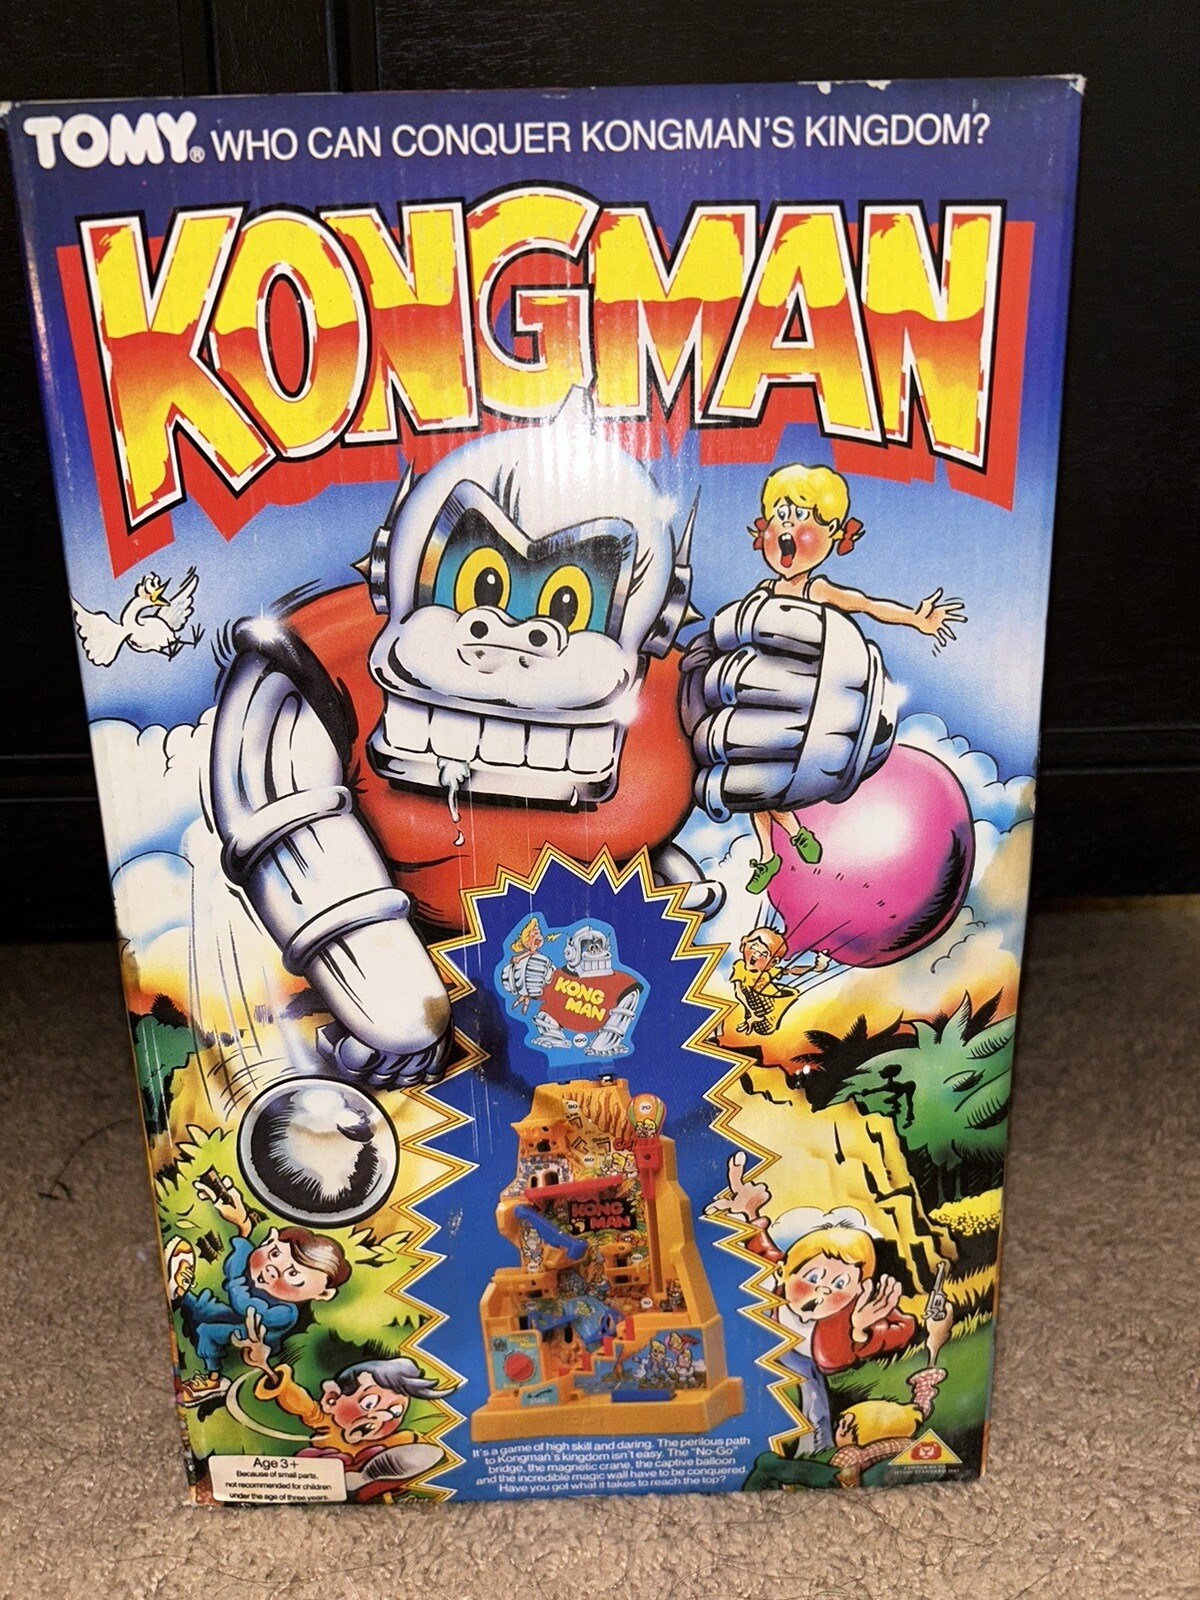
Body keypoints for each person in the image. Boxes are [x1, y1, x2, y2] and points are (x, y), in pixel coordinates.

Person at [742, 463, 966, 893]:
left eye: (801, 517)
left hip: (808, 710)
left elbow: (864, 604)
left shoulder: (817, 590)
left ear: (833, 535)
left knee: (768, 785)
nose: (787, 529)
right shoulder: (761, 594)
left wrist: (914, 619)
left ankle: (787, 842)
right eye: (780, 517)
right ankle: (773, 852)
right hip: (762, 704)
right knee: (751, 784)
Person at [164, 1173, 350, 1407]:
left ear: (322, 1294)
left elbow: (241, 1300)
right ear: (269, 1239)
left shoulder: (285, 1313)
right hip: (238, 1319)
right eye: (275, 1254)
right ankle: (182, 1292)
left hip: (255, 1339)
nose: (273, 1269)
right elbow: (239, 1279)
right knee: (207, 1308)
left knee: (208, 1331)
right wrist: (243, 1226)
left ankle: (213, 1380)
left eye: (293, 1275)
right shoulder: (265, 1280)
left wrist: (243, 1236)